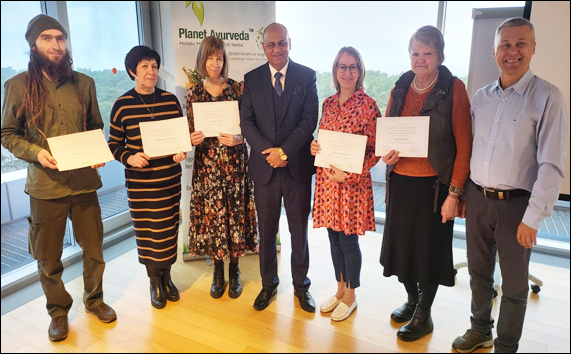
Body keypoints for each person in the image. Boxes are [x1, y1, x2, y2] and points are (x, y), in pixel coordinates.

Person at [452, 18, 568, 353]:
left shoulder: (548, 97)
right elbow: (470, 148)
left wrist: (534, 217)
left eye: (520, 43)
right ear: (494, 51)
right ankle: (480, 330)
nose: (512, 51)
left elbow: (551, 164)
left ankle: (506, 344)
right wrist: (461, 194)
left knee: (515, 286)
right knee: (478, 274)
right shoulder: (481, 97)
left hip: (517, 205)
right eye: (505, 44)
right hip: (477, 198)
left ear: (533, 48)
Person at [1, 14, 116, 341]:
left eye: (60, 38)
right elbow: (7, 134)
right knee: (48, 257)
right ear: (34, 45)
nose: (56, 44)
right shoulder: (17, 86)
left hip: (83, 183)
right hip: (44, 187)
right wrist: (36, 152)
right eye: (48, 38)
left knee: (94, 250)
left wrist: (95, 150)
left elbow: (95, 125)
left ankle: (94, 300)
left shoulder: (84, 83)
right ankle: (58, 311)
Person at [379, 25, 472, 341]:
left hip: (436, 188)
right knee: (402, 249)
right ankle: (413, 300)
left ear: (439, 55)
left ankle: (425, 315)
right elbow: (389, 135)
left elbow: (464, 145)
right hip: (402, 184)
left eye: (427, 53)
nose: (420, 59)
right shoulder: (400, 87)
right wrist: (387, 156)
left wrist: (455, 192)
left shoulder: (454, 88)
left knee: (428, 252)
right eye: (415, 53)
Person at [240, 23, 319, 312]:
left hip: (296, 167)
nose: (277, 49)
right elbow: (246, 122)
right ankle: (268, 284)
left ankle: (301, 286)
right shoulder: (252, 79)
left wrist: (284, 151)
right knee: (266, 230)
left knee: (299, 231)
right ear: (264, 47)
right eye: (271, 44)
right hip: (265, 170)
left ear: (290, 43)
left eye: (282, 43)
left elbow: (310, 119)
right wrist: (268, 153)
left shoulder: (306, 76)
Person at [108, 46, 184, 310]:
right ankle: (154, 280)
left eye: (154, 66)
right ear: (132, 71)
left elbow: (180, 138)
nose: (151, 72)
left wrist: (179, 152)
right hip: (141, 184)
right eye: (144, 67)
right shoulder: (121, 105)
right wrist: (129, 157)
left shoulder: (170, 100)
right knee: (148, 232)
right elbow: (114, 144)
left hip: (170, 180)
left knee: (169, 228)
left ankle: (167, 276)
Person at [310, 47, 381, 321]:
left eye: (353, 67)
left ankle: (351, 296)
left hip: (351, 186)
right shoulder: (328, 103)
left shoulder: (368, 105)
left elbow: (376, 149)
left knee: (348, 242)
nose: (347, 72)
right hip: (328, 185)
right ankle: (340, 289)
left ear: (360, 71)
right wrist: (315, 146)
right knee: (333, 238)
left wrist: (350, 175)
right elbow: (323, 137)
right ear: (335, 71)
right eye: (342, 67)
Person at [186, 36, 258, 299]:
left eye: (219, 58)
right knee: (214, 218)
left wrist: (240, 138)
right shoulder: (194, 92)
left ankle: (235, 269)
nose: (215, 63)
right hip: (207, 165)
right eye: (210, 58)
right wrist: (191, 138)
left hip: (234, 164)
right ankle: (218, 270)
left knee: (235, 214)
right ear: (202, 60)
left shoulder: (238, 89)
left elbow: (252, 127)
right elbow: (190, 131)